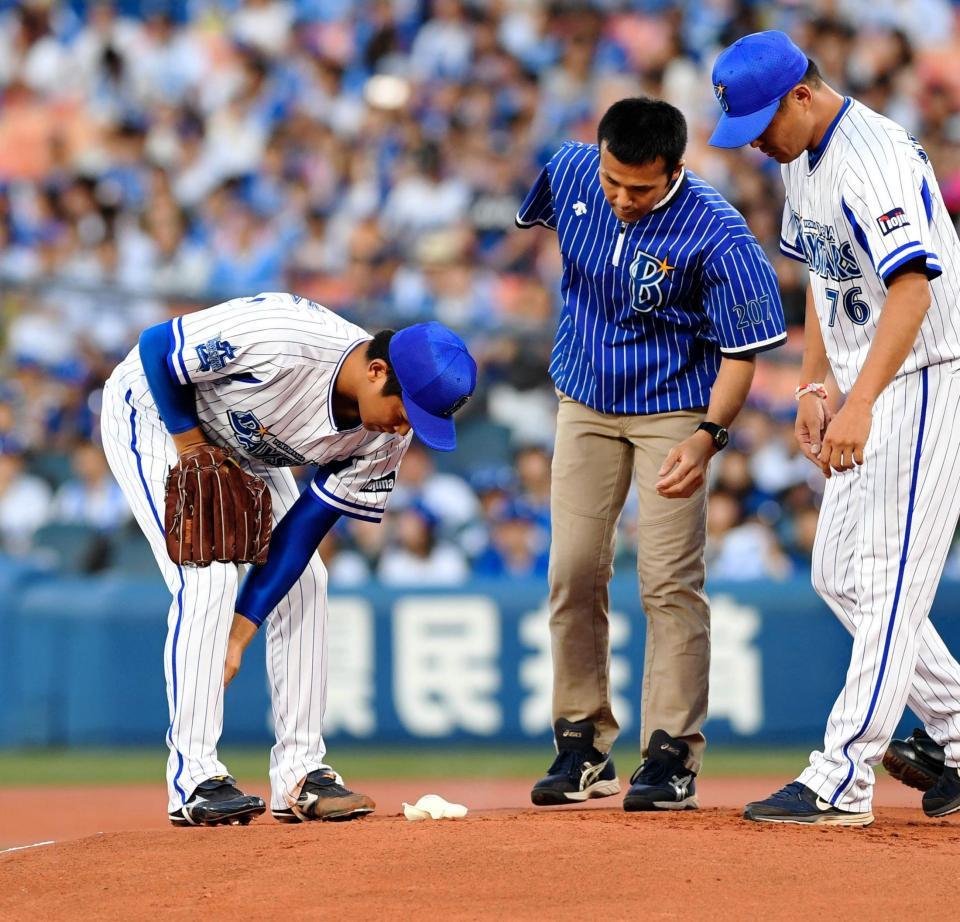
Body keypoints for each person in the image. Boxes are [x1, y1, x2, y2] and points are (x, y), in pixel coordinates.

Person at [100, 292, 476, 827]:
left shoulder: (383, 440)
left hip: (246, 443)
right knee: (207, 580)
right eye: (406, 410)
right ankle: (194, 778)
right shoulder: (283, 336)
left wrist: (240, 630)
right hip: (155, 414)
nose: (403, 428)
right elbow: (157, 345)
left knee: (310, 580)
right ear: (375, 371)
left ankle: (301, 774)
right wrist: (187, 443)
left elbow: (302, 533)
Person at [709, 30, 960, 826]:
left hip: (928, 376)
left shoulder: (870, 154)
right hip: (872, 378)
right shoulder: (798, 156)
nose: (754, 140)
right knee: (839, 574)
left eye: (761, 121)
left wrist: (859, 400)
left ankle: (842, 777)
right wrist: (819, 380)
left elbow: (913, 290)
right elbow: (824, 277)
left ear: (802, 95)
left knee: (884, 583)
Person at [515, 97, 787, 811]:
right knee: (572, 569)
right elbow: (549, 221)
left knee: (667, 582)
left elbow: (742, 353)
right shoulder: (571, 172)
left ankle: (670, 755)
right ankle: (580, 744)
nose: (622, 197)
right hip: (584, 400)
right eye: (613, 181)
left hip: (675, 409)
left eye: (641, 187)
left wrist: (709, 437)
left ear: (676, 168)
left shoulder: (718, 234)